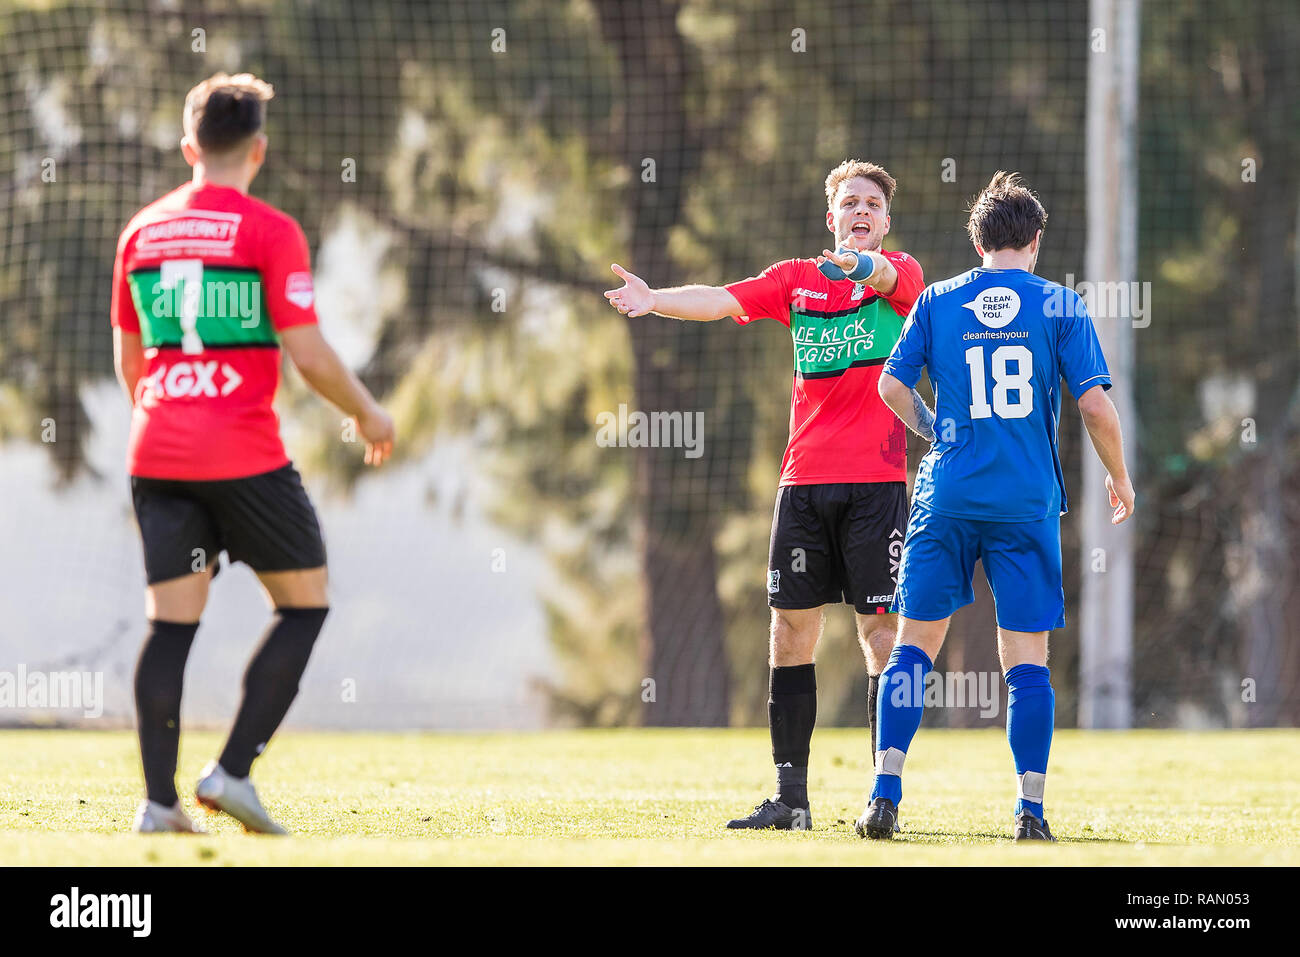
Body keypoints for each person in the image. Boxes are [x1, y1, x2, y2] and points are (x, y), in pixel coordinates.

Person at [111, 73, 395, 834]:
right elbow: (308, 354)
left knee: (169, 626)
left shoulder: (141, 231)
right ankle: (232, 770)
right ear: (258, 151)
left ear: (187, 147)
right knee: (304, 604)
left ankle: (158, 802)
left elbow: (130, 362)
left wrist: (168, 412)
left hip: (157, 449)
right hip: (240, 451)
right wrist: (368, 414)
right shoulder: (269, 231)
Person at [604, 160, 926, 830]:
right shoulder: (795, 280)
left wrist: (857, 267)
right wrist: (654, 297)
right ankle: (791, 799)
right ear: (829, 215)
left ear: (885, 220)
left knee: (882, 631)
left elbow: (889, 277)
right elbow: (722, 298)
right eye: (849, 203)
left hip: (876, 484)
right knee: (788, 628)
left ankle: (883, 797)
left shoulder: (901, 277)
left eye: (871, 204)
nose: (861, 211)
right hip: (803, 483)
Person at [861, 171, 1134, 841]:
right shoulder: (1061, 306)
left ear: (977, 239)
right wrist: (1121, 478)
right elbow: (1095, 405)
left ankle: (883, 796)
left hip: (946, 496)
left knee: (913, 649)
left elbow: (891, 385)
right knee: (1027, 660)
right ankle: (1031, 811)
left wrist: (932, 426)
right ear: (1035, 241)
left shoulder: (937, 300)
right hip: (1023, 503)